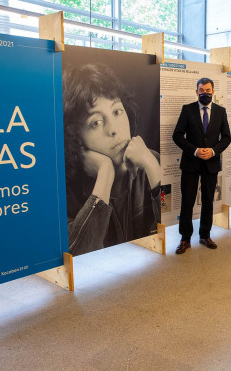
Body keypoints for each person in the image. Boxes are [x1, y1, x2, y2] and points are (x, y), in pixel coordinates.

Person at [63, 63, 161, 256]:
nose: (114, 130)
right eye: (96, 123)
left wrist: (152, 166)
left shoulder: (151, 161)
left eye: (117, 112)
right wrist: (105, 173)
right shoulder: (67, 192)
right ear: (75, 135)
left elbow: (180, 229)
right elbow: (80, 257)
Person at [172, 77, 231, 254]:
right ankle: (185, 238)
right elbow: (177, 135)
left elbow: (227, 137)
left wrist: (213, 151)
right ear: (196, 91)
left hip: (211, 164)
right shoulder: (188, 109)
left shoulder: (221, 111)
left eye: (208, 90)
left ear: (213, 92)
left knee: (208, 201)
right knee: (187, 202)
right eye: (201, 90)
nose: (205, 93)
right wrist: (195, 150)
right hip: (190, 163)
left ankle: (205, 235)